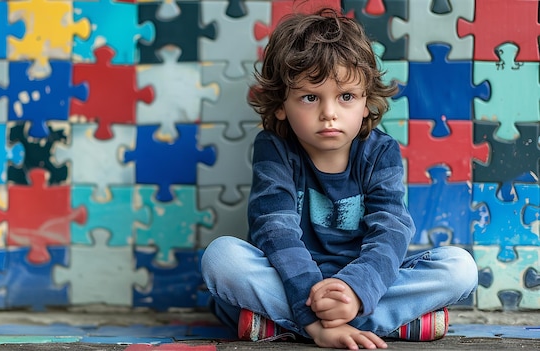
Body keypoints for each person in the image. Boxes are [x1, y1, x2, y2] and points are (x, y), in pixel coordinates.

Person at [201, 7, 478, 350]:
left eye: (345, 96)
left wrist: (356, 291)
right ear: (280, 105)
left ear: (365, 102)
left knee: (460, 268)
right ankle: (381, 322)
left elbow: (391, 229)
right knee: (221, 258)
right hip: (290, 278)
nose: (329, 113)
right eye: (310, 97)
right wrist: (315, 316)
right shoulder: (275, 148)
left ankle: (280, 323)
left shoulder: (379, 152)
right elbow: (273, 229)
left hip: (364, 280)